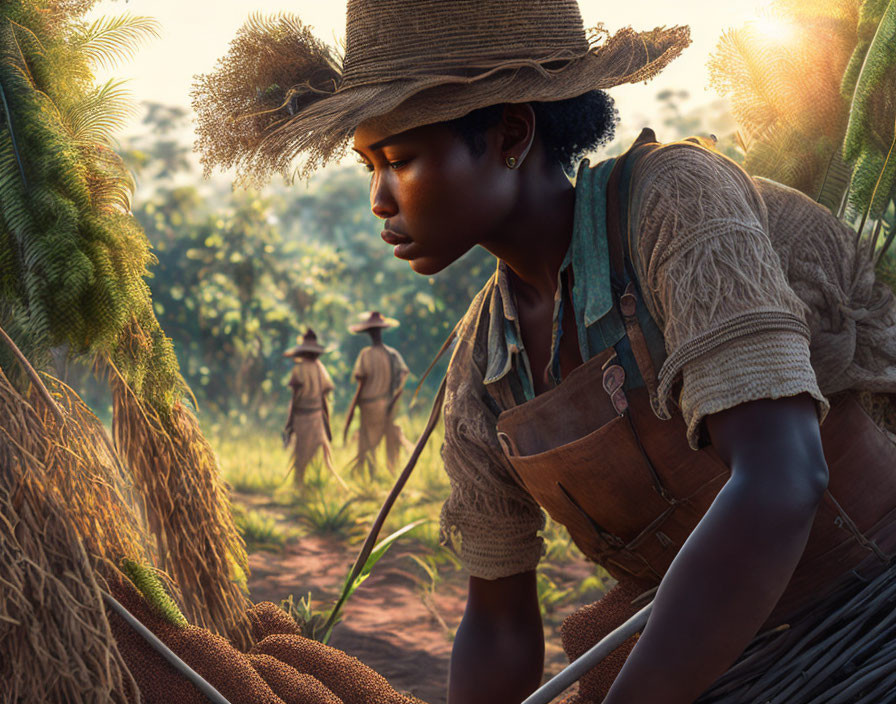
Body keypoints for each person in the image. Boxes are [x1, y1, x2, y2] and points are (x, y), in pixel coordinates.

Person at [193, 2, 896, 703]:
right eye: (368, 167)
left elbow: (784, 479)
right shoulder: (485, 366)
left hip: (870, 619)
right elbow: (499, 623)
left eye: (401, 161)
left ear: (509, 134)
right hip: (721, 666)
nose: (380, 198)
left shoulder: (676, 203)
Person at [344, 311, 410, 478]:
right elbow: (404, 374)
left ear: (369, 333)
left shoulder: (365, 354)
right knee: (385, 439)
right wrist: (394, 397)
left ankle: (370, 476)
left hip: (368, 405)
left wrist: (353, 407)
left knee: (367, 442)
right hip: (386, 403)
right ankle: (387, 474)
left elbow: (361, 383)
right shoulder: (391, 353)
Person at [282, 328, 341, 488]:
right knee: (312, 450)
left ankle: (301, 483)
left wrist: (290, 422)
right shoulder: (319, 368)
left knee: (301, 452)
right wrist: (326, 422)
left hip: (304, 417)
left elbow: (295, 400)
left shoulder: (299, 369)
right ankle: (300, 485)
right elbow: (324, 399)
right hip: (315, 417)